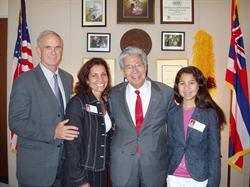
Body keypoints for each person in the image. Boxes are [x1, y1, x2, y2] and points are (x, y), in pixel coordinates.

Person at [8, 30, 79, 187]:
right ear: (38, 51)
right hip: (36, 168)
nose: (54, 52)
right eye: (48, 47)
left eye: (57, 47)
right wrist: (53, 131)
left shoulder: (68, 78)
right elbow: (16, 122)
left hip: (63, 165)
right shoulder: (24, 81)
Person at [109, 46, 176, 187]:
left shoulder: (166, 92)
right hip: (122, 163)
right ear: (123, 71)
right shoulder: (113, 94)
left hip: (155, 162)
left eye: (138, 65)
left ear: (145, 66)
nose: (135, 71)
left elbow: (176, 128)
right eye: (129, 67)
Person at [166, 66, 226, 187]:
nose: (187, 87)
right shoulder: (172, 113)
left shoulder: (209, 114)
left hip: (199, 177)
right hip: (174, 176)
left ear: (199, 85)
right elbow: (171, 147)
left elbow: (214, 152)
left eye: (191, 83)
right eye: (182, 83)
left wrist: (213, 182)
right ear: (177, 87)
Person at [61, 58, 113, 187]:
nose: (100, 79)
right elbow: (72, 145)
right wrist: (80, 180)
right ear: (86, 79)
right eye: (94, 75)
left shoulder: (106, 102)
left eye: (103, 74)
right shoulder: (78, 103)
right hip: (80, 172)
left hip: (100, 170)